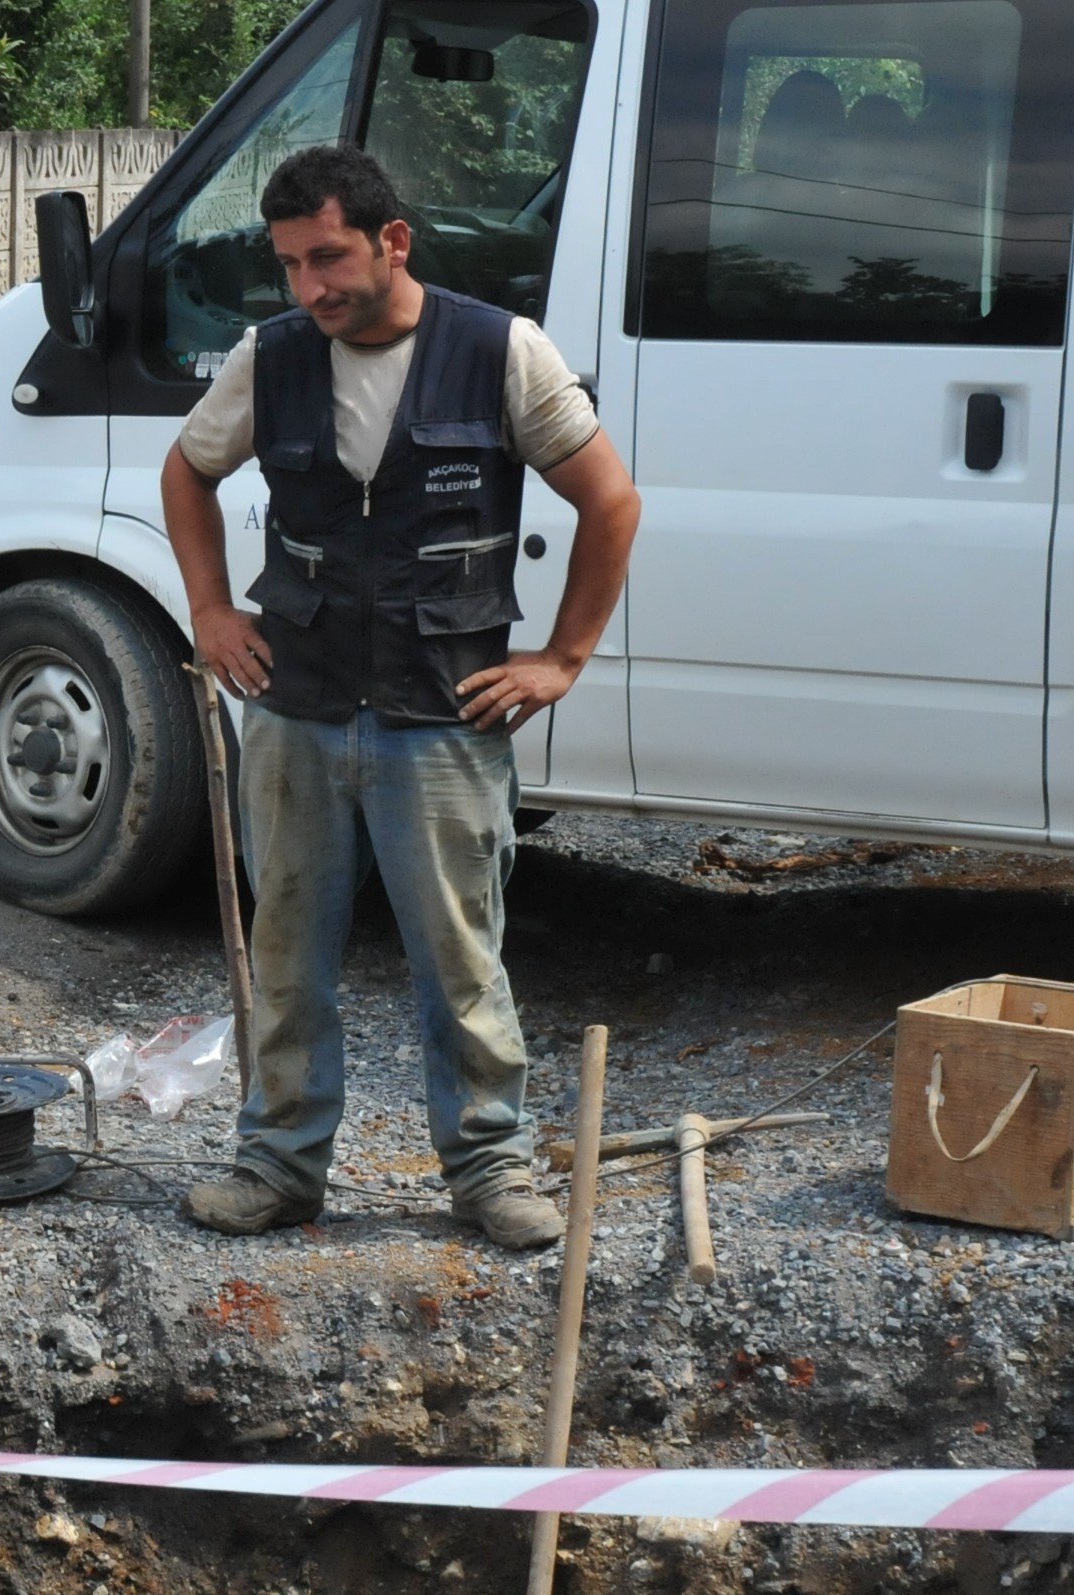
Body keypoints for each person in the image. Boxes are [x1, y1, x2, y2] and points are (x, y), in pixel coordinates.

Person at [161, 145, 643, 1251]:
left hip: (440, 714)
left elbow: (611, 504)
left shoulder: (499, 351)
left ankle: (490, 1173)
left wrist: (561, 660)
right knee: (286, 962)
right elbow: (187, 474)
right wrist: (211, 611)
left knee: (462, 967)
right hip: (297, 707)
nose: (309, 288)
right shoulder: (271, 357)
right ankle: (278, 1168)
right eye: (289, 265)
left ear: (392, 242)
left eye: (327, 258)